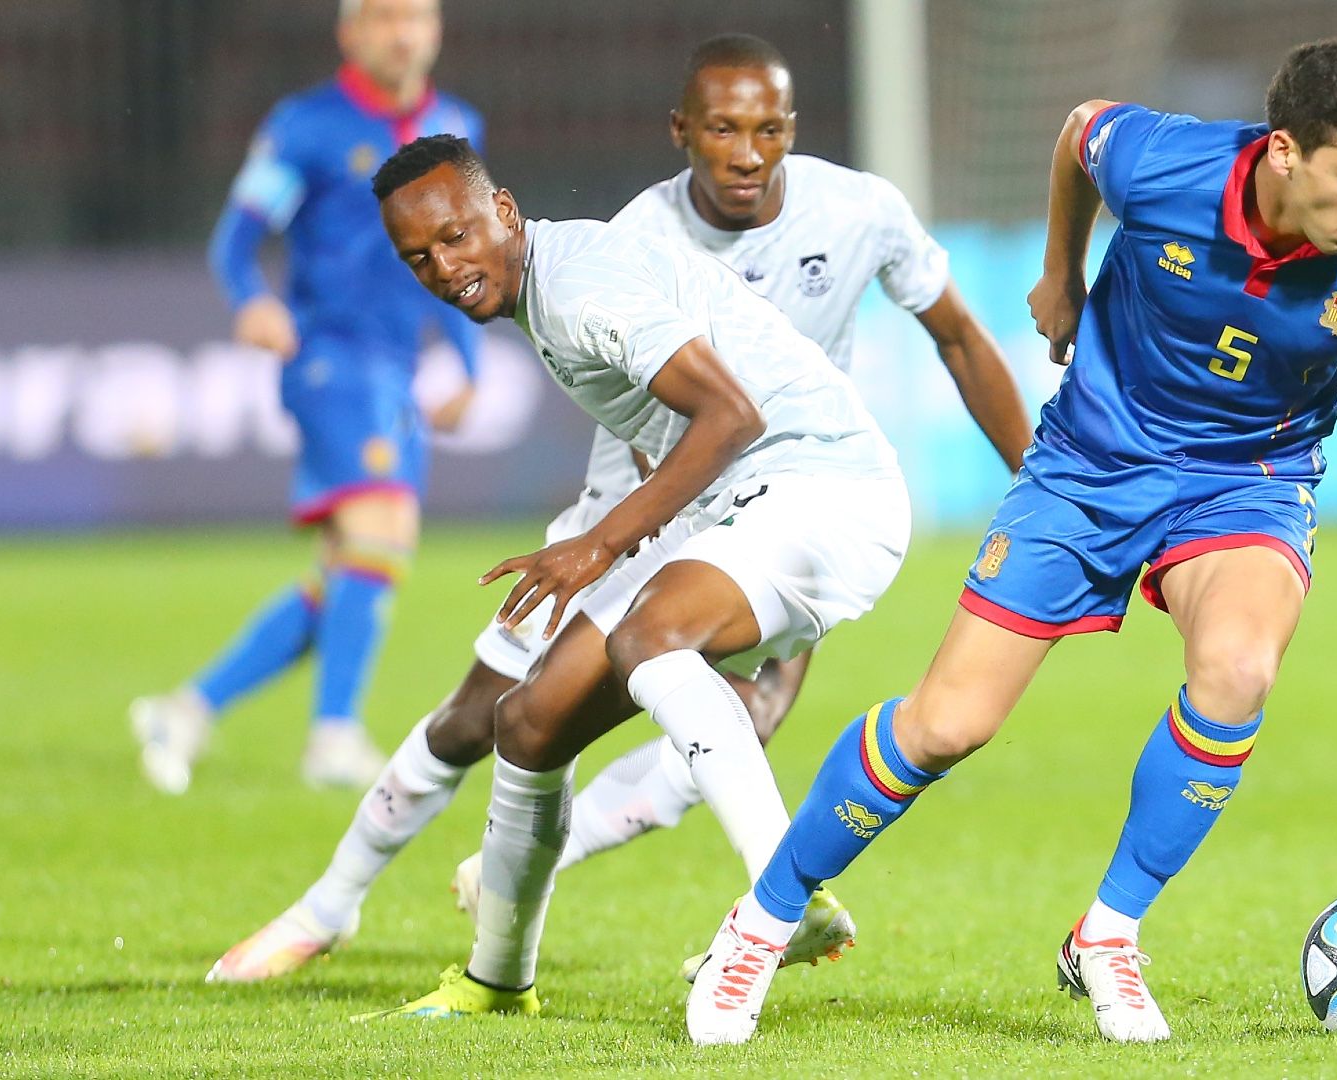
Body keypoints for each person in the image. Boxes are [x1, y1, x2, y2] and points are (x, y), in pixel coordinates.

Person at [680, 38, 1337, 1046]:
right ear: (1284, 152)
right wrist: (1060, 273)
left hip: (1245, 486)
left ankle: (1109, 935)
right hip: (1091, 463)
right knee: (948, 724)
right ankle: (761, 923)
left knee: (1239, 666)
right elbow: (1082, 134)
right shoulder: (1168, 165)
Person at [203, 35, 1028, 984]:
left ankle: (758, 907)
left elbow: (895, 358)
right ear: (683, 134)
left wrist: (1033, 486)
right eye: (722, 128)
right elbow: (670, 430)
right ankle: (335, 908)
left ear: (793, 133)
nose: (746, 152)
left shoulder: (850, 213)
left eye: (767, 130)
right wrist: (617, 537)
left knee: (685, 695)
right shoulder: (632, 235)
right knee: (497, 716)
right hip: (661, 493)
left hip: (780, 486)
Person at [339, 132, 914, 1021]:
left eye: (454, 237)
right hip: (739, 502)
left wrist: (600, 544)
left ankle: (783, 902)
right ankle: (496, 981)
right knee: (527, 722)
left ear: (502, 211)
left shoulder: (574, 287)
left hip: (823, 487)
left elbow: (730, 413)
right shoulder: (544, 288)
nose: (443, 267)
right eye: (418, 257)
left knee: (651, 636)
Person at [129, 0, 482, 793]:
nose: (404, 32)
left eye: (417, 16)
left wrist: (468, 361)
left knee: (352, 568)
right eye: (385, 17)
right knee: (384, 525)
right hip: (327, 358)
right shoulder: (305, 126)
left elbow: (460, 258)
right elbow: (236, 239)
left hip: (395, 366)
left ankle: (185, 710)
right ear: (349, 33)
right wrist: (252, 299)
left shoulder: (458, 127)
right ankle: (333, 736)